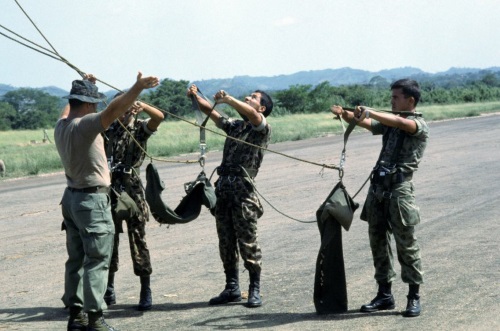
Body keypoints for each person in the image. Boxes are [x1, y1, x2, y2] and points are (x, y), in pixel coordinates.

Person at [55, 72, 159, 331]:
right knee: (98, 260)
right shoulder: (87, 124)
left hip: (71, 199)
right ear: (89, 105)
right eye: (94, 103)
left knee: (76, 260)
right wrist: (137, 86)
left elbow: (68, 109)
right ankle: (95, 318)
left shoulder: (61, 126)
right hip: (92, 200)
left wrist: (86, 85)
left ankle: (76, 317)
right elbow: (115, 109)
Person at [330, 79, 429, 318]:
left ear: (410, 100)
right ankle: (384, 294)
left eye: (396, 97)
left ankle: (413, 296)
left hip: (399, 192)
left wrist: (371, 111)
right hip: (378, 190)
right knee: (378, 243)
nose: (391, 101)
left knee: (406, 245)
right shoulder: (391, 124)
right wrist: (346, 114)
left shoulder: (417, 124)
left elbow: (397, 121)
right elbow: (369, 123)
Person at [187, 85, 273, 308]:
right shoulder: (235, 126)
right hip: (224, 191)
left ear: (262, 107)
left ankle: (254, 289)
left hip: (243, 194)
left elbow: (253, 115)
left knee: (247, 242)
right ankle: (232, 287)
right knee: (225, 241)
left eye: (253, 98)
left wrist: (229, 99)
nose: (248, 97)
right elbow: (212, 113)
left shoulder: (261, 128)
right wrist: (195, 96)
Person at [103, 94, 164, 311]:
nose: (126, 111)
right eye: (122, 107)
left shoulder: (139, 128)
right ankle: (109, 288)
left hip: (133, 189)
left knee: (138, 239)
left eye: (129, 107)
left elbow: (159, 117)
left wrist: (144, 105)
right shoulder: (107, 128)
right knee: (109, 240)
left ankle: (145, 289)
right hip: (110, 189)